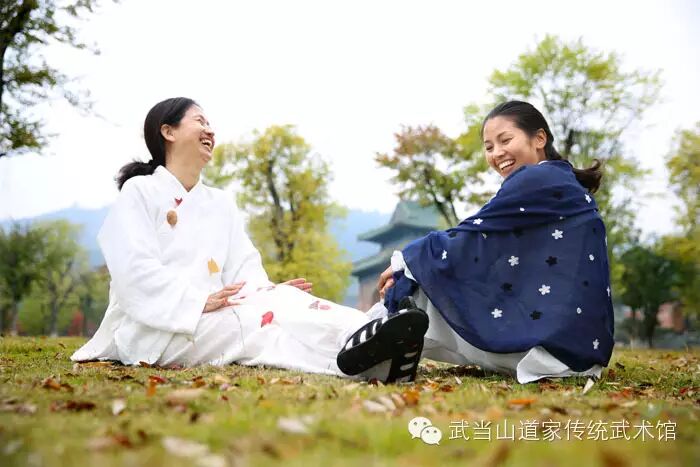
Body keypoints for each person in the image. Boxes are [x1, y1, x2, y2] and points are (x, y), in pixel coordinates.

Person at [71, 97, 428, 383]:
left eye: (210, 123)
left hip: (214, 312)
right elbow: (133, 269)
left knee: (284, 303)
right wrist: (197, 301)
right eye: (200, 121)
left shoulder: (220, 203)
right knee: (261, 327)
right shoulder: (140, 191)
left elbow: (244, 269)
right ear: (168, 131)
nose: (210, 130)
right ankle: (372, 349)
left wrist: (268, 292)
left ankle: (377, 341)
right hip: (157, 328)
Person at [342, 101, 614, 384]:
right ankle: (386, 340)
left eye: (505, 140)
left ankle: (366, 341)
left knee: (418, 281)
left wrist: (404, 262)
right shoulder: (563, 181)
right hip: (578, 356)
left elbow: (471, 237)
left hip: (544, 347)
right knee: (428, 282)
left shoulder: (536, 177)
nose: (497, 153)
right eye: (489, 147)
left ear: (539, 138)